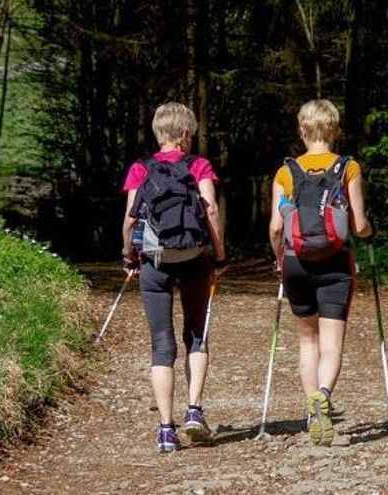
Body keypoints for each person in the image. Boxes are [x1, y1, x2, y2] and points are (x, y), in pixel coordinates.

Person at [121, 102, 227, 453]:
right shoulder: (199, 166)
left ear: (159, 133)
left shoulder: (141, 169)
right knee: (197, 334)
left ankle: (166, 430)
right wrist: (220, 255)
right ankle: (194, 410)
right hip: (194, 258)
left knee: (161, 345)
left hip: (155, 262)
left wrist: (129, 255)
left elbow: (131, 220)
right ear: (184, 134)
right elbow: (211, 211)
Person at [268, 99, 373, 446]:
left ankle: (313, 411)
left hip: (295, 262)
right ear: (334, 130)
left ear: (302, 129)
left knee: (307, 340)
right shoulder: (347, 167)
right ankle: (323, 395)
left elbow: (276, 227)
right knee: (331, 343)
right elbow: (359, 225)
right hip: (335, 263)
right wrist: (371, 232)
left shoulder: (286, 172)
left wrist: (279, 259)